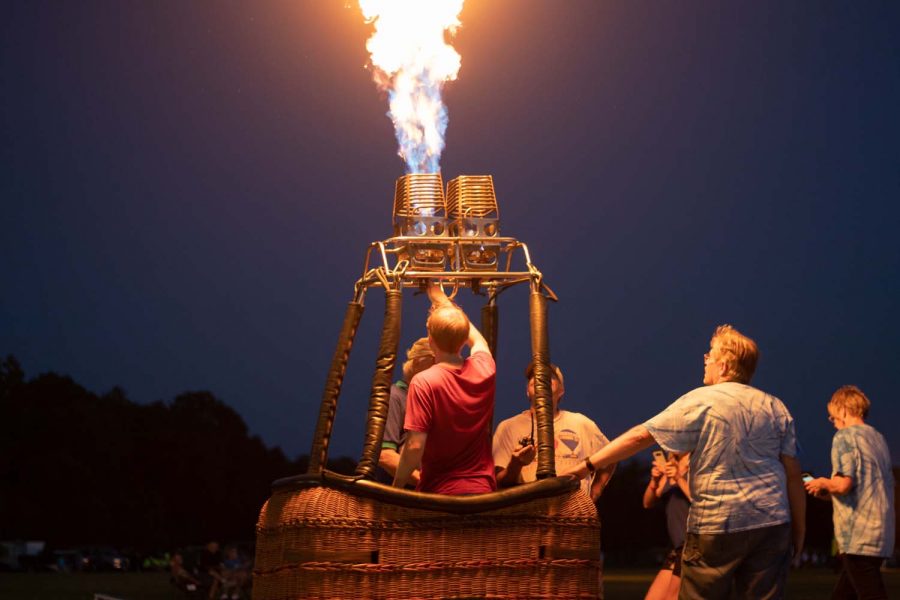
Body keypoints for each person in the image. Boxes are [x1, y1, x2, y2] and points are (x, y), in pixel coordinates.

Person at [563, 324, 806, 600]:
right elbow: (793, 476)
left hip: (718, 525)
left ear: (724, 366)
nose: (705, 359)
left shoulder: (702, 400)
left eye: (710, 355)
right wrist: (799, 530)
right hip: (772, 524)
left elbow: (640, 436)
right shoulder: (776, 407)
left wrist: (587, 465)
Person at [392, 281, 496, 494]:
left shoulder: (424, 382)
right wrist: (440, 297)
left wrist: (395, 489)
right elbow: (478, 340)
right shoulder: (485, 368)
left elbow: (414, 447)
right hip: (483, 492)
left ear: (430, 340)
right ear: (462, 339)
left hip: (440, 495)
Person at [804, 385, 895, 600]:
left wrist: (823, 482)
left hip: (858, 535)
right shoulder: (878, 439)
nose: (833, 422)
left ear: (843, 410)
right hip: (881, 531)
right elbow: (862, 487)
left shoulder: (844, 437)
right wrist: (827, 492)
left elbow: (844, 484)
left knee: (870, 594)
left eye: (833, 416)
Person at [493, 362, 615, 501]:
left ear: (561, 390)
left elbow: (611, 459)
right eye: (534, 376)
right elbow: (499, 482)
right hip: (526, 511)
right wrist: (516, 464)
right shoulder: (509, 427)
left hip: (573, 513)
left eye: (549, 376)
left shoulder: (581, 423)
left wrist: (596, 490)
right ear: (527, 390)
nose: (540, 379)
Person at [375, 337, 434, 485]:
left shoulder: (430, 401)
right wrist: (426, 484)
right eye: (435, 363)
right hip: (401, 497)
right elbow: (385, 456)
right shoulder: (394, 397)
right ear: (417, 363)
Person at [643, 452, 691, 600]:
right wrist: (654, 481)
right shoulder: (669, 469)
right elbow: (647, 503)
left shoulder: (697, 467)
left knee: (673, 596)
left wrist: (678, 478)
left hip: (691, 544)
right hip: (675, 547)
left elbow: (698, 499)